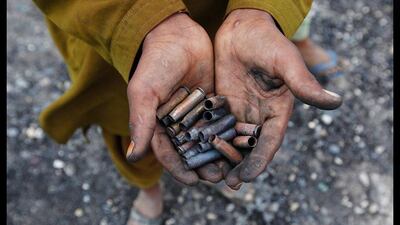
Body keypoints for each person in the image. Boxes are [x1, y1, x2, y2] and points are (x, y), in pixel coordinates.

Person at [32, 0, 342, 224]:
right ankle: (149, 189)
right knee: (133, 122)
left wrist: (264, 10)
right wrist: (139, 20)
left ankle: (296, 39)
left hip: (235, 23)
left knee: (227, 129)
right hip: (121, 46)